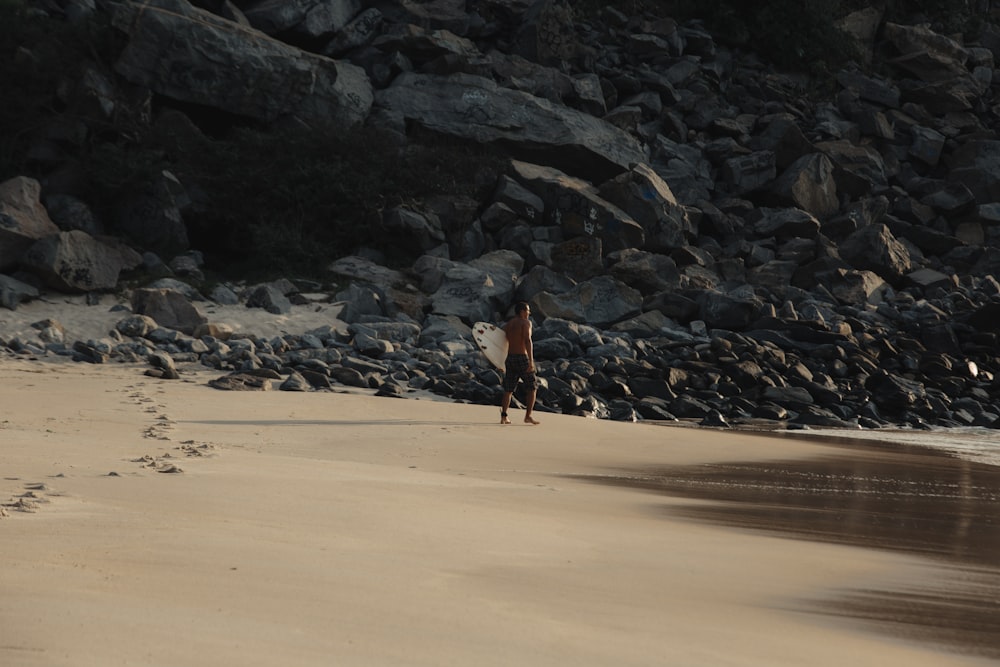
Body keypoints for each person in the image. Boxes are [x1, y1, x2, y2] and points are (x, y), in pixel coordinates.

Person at [500, 302, 540, 425]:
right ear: (522, 311)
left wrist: (499, 361)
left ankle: (504, 416)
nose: (529, 313)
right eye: (528, 311)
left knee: (508, 390)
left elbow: (501, 343)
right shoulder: (525, 323)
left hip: (510, 358)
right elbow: (528, 340)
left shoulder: (508, 325)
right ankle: (528, 416)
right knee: (532, 387)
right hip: (522, 358)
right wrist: (531, 361)